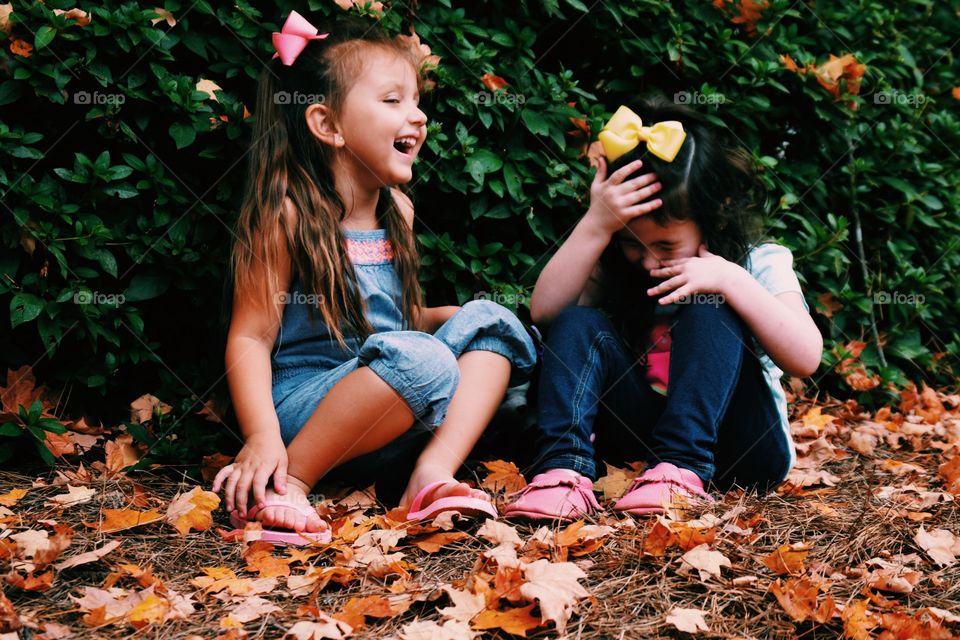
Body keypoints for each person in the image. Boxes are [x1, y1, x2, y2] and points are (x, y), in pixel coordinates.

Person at [212, 11, 537, 544]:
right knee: (422, 359)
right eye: (392, 101)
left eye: (415, 101)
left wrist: (454, 322)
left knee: (489, 321)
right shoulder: (289, 215)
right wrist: (262, 436)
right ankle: (290, 484)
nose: (418, 116)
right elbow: (252, 335)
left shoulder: (397, 212)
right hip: (306, 407)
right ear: (328, 125)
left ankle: (430, 476)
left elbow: (400, 322)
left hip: (394, 406)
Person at [505, 98, 822, 521]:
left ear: (714, 219)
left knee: (712, 305)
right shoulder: (617, 266)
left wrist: (730, 280)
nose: (650, 261)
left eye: (666, 246)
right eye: (633, 243)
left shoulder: (757, 263)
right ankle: (563, 471)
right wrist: (597, 224)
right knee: (578, 321)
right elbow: (546, 315)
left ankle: (682, 469)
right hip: (638, 447)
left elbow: (805, 358)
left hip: (743, 448)